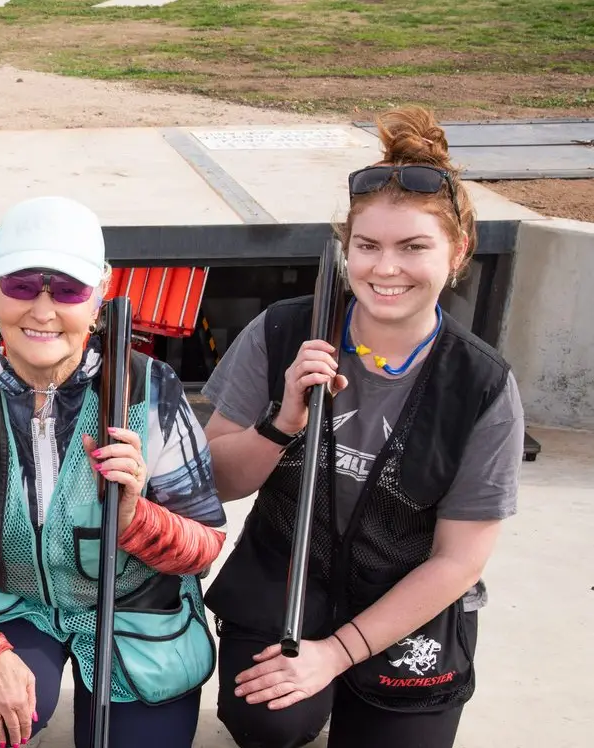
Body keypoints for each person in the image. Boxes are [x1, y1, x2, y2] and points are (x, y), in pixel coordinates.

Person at [199, 106, 525, 748]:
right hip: (287, 576)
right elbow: (217, 482)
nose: (385, 269)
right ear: (346, 248)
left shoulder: (483, 385)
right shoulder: (281, 332)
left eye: (413, 247)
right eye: (367, 246)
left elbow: (458, 561)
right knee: (269, 722)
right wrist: (282, 421)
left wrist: (335, 653)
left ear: (458, 252)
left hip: (408, 599)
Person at [0, 196, 229, 748]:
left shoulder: (152, 388)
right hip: (8, 598)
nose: (43, 310)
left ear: (101, 294)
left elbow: (206, 544)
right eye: (22, 284)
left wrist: (136, 517)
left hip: (133, 604)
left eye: (67, 289)